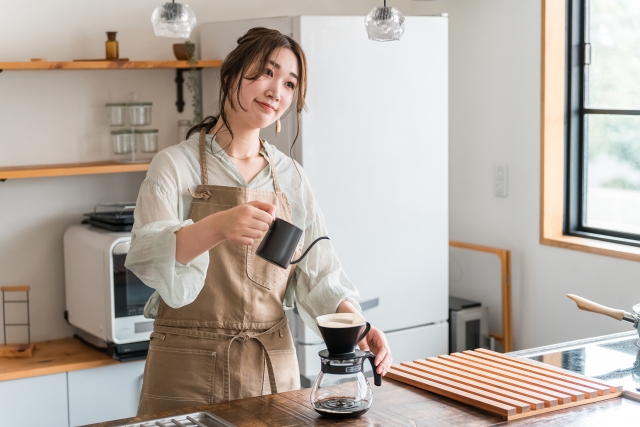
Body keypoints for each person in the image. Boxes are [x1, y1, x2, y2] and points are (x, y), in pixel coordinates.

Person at [125, 27, 392, 417]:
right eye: (266, 73)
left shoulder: (291, 177)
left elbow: (316, 274)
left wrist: (357, 327)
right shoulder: (175, 165)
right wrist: (217, 226)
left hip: (270, 368)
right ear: (231, 73)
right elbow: (146, 254)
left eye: (289, 83)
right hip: (185, 365)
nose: (276, 91)